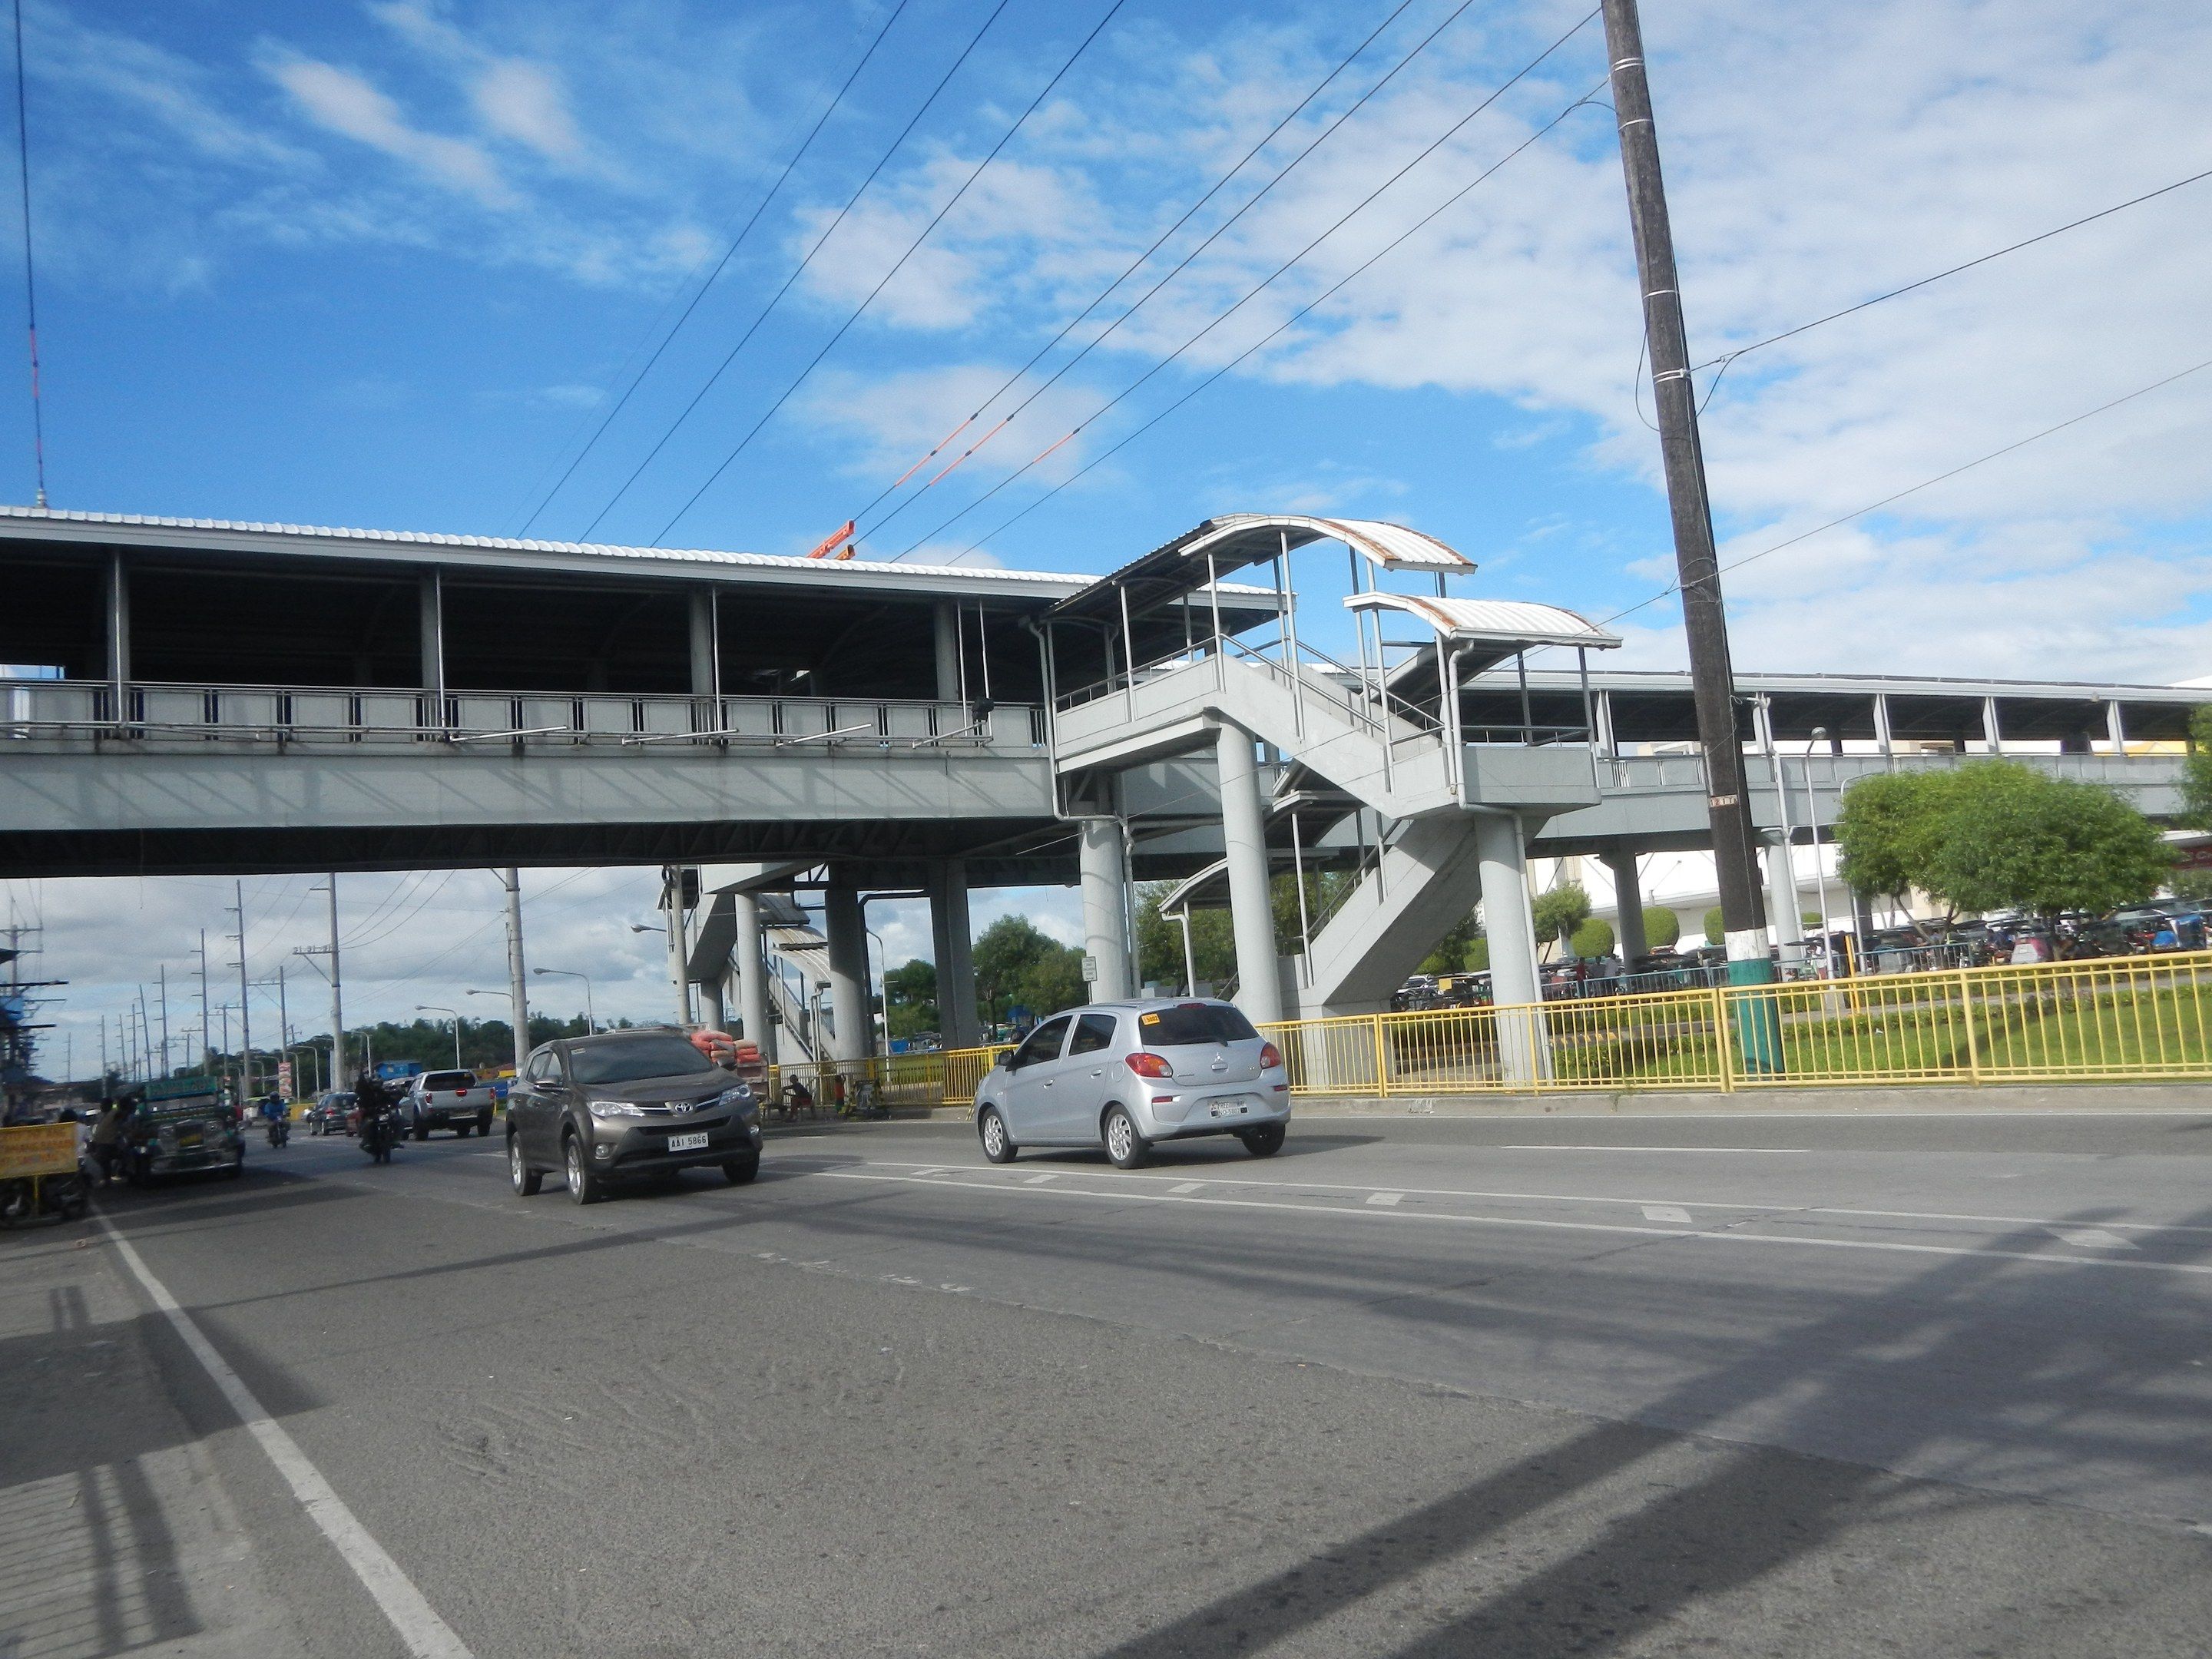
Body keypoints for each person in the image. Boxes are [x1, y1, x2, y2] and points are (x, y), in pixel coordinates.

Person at [88, 1098, 124, 1185]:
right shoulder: (104, 1115)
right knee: (103, 1161)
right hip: (101, 1142)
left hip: (108, 1143)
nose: (101, 1107)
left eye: (103, 1105)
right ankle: (108, 1177)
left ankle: (108, 1179)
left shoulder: (114, 1113)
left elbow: (120, 1115)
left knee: (104, 1161)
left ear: (108, 1105)